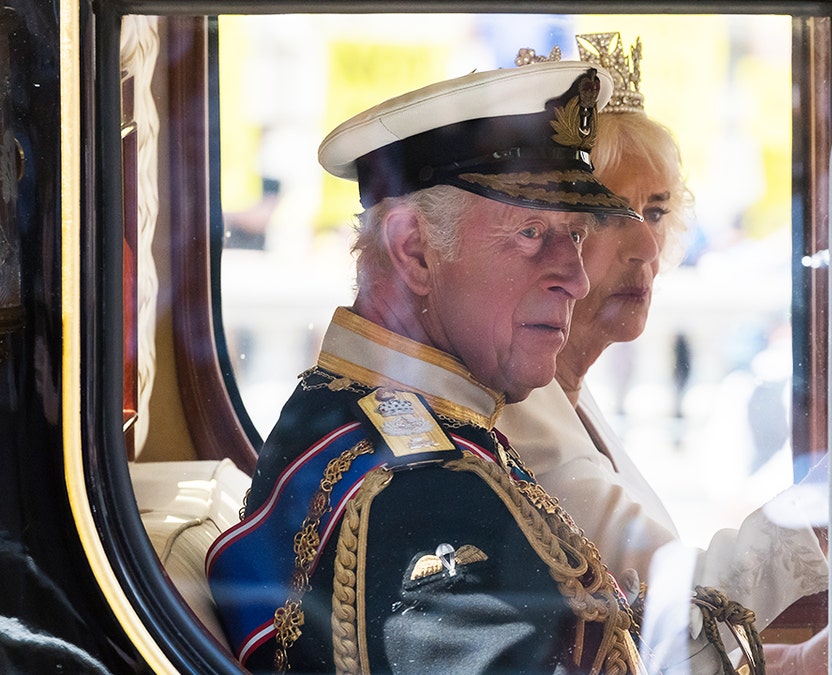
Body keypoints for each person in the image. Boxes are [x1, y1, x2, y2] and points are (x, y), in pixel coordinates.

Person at [205, 61, 652, 674]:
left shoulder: (372, 417)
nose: (575, 279)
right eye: (530, 232)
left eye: (573, 236)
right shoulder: (419, 495)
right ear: (414, 250)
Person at [500, 34, 829, 674]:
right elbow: (660, 613)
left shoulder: (568, 388)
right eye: (609, 214)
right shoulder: (518, 406)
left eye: (654, 213)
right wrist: (822, 510)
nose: (646, 248)